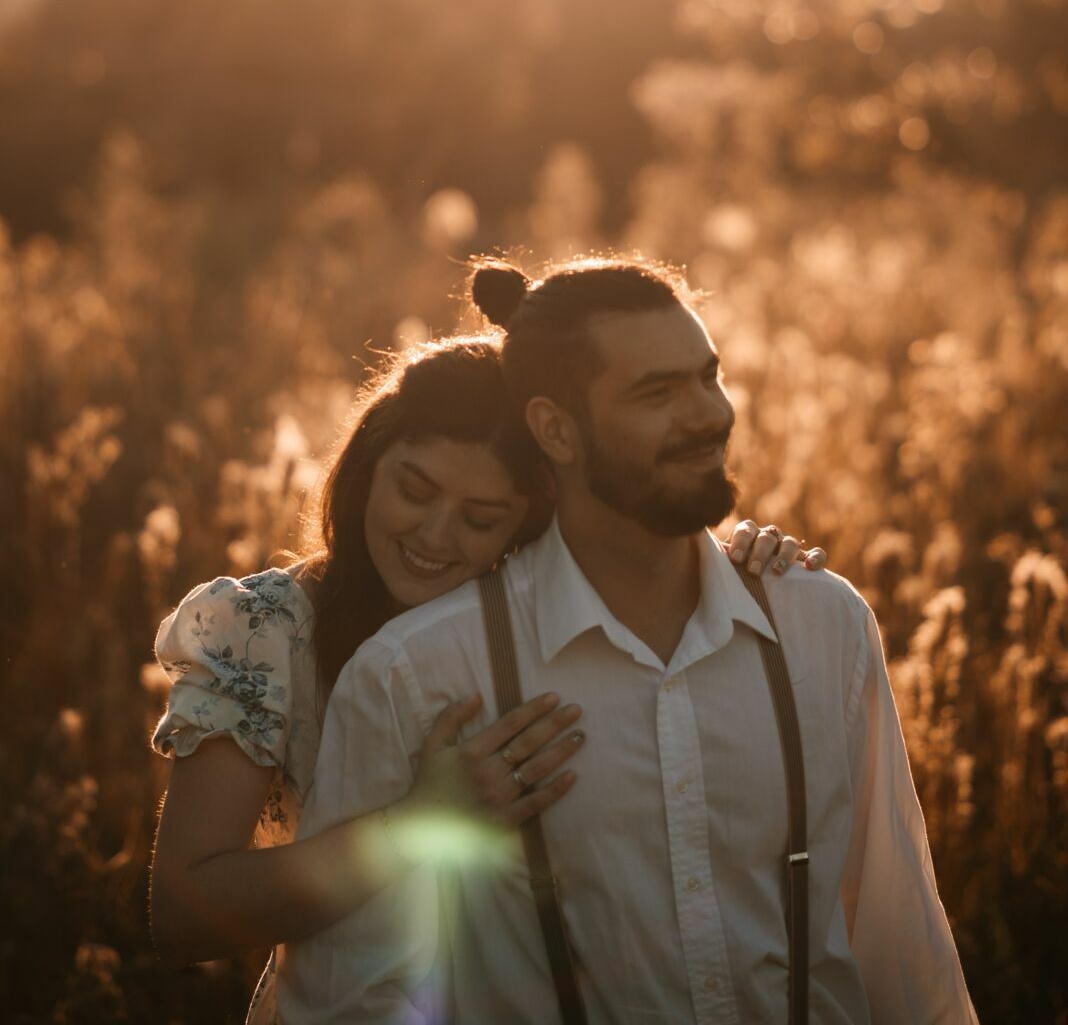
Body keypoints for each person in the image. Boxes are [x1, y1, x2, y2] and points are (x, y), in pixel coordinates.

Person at [277, 256, 978, 1025]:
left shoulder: (822, 625)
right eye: (657, 394)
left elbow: (902, 943)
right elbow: (353, 998)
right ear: (555, 430)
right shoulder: (418, 672)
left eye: (707, 378)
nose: (709, 415)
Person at [149, 334, 819, 1024]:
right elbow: (184, 914)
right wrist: (417, 825)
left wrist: (721, 565)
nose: (435, 534)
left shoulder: (551, 620)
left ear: (529, 523)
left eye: (481, 518)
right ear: (365, 467)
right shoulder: (263, 630)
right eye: (415, 489)